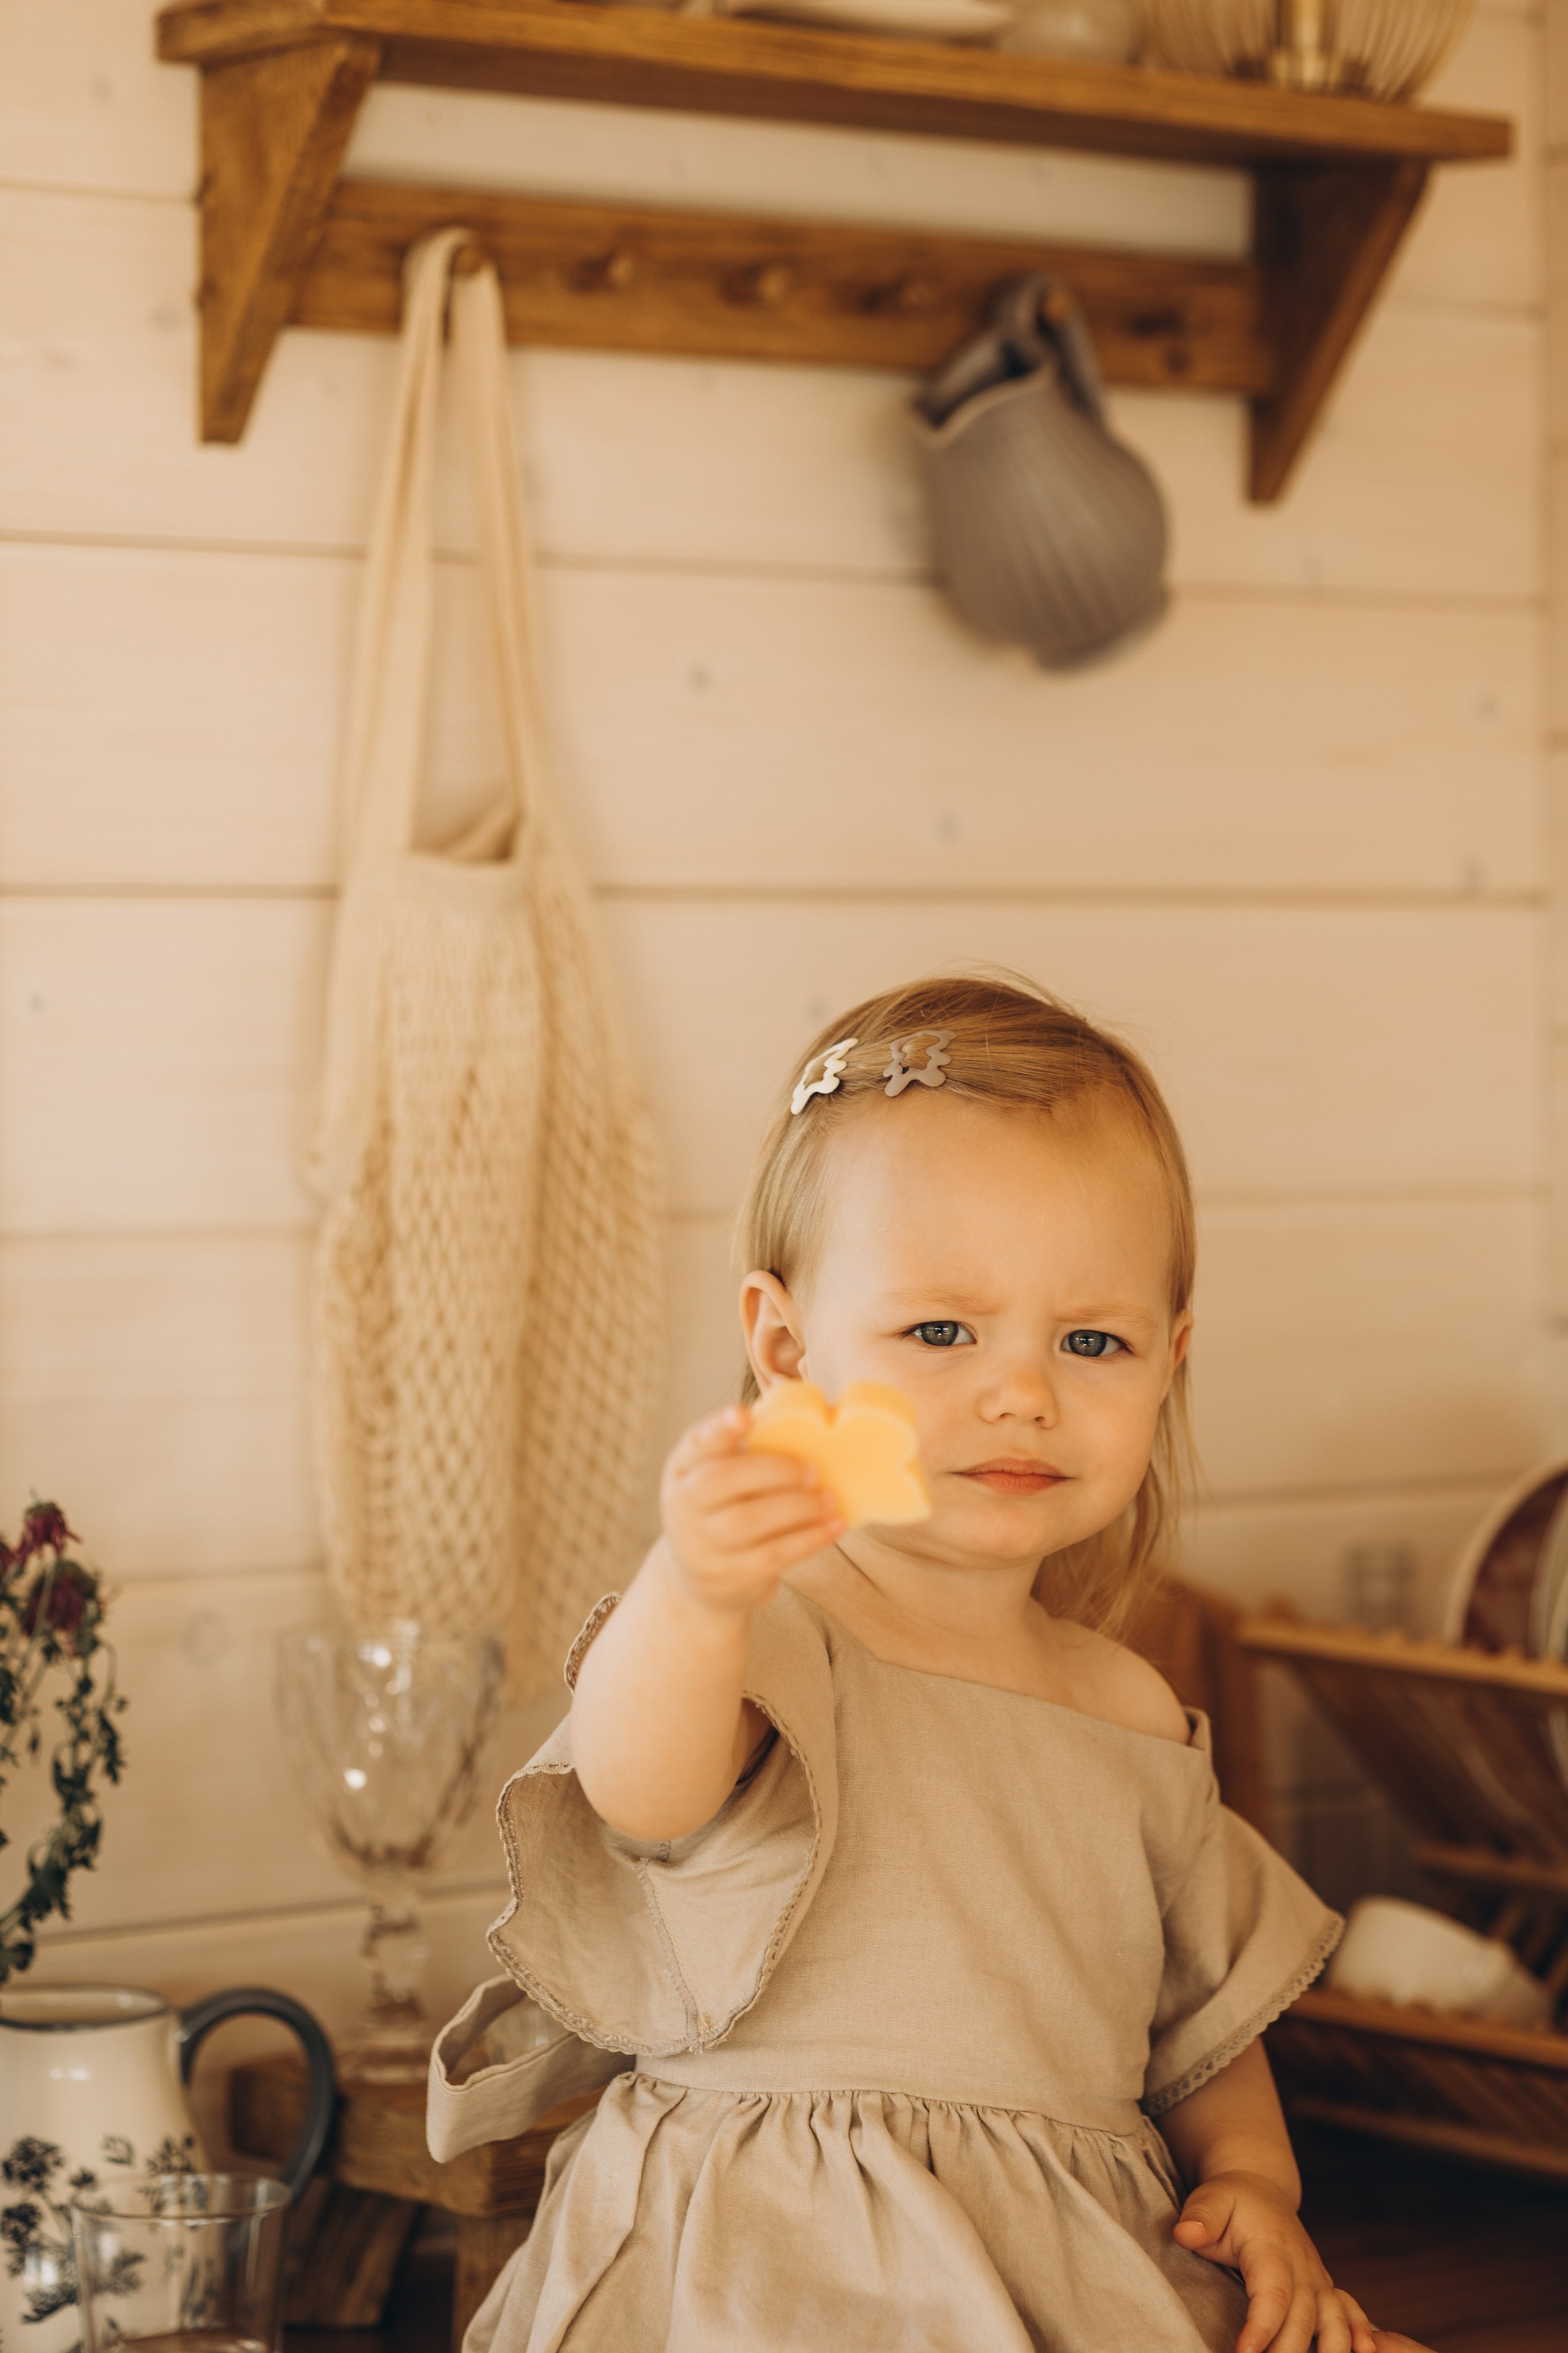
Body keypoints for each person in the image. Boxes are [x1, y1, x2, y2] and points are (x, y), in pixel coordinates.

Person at [428, 972, 1389, 2353]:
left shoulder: (1122, 1706)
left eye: (1091, 1340)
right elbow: (642, 1792)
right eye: (940, 1331)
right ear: (783, 1346)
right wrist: (694, 1588)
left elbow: (1201, 2021)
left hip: (1065, 2254)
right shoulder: (770, 1634)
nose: (1022, 1390)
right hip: (769, 2253)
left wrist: (1250, 2180)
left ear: (1169, 1363)